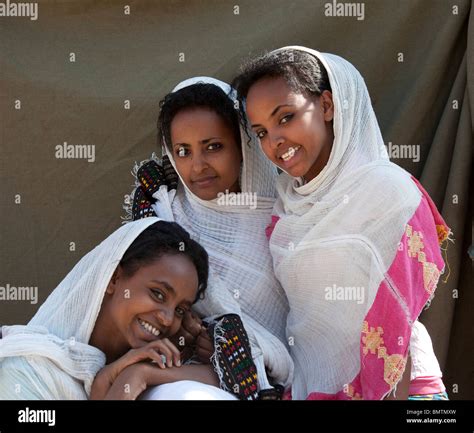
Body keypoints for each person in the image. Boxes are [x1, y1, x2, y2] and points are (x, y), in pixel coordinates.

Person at [232, 46, 451, 400]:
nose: (274, 142)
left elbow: (400, 324)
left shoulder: (389, 193)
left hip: (404, 392)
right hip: (313, 388)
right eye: (260, 132)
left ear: (328, 106)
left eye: (285, 117)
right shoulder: (286, 208)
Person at [123, 77, 293, 398]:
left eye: (213, 146)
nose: (197, 166)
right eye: (183, 151)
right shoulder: (165, 216)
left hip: (286, 379)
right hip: (182, 374)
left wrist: (233, 344)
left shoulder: (288, 214)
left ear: (243, 145)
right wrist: (190, 331)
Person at [0, 218, 235, 400]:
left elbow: (224, 379)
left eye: (180, 310)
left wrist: (141, 374)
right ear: (113, 279)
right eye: (158, 294)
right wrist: (105, 385)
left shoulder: (146, 360)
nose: (167, 319)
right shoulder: (25, 372)